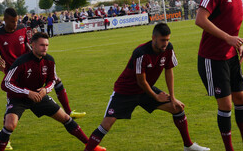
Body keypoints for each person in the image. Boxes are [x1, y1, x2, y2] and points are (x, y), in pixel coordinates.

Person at [84, 23, 209, 151]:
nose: (165, 43)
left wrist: (172, 97)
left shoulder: (168, 49)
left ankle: (188, 146)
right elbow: (141, 81)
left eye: (167, 40)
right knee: (106, 124)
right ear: (153, 38)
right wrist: (155, 96)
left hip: (145, 91)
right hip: (125, 91)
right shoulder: (140, 52)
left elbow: (169, 71)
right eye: (162, 40)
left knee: (177, 108)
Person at [0, 8, 85, 146]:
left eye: (17, 21)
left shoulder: (22, 29)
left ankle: (69, 112)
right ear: (5, 21)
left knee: (55, 79)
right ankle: (7, 139)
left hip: (31, 68)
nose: (15, 24)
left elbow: (28, 45)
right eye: (12, 22)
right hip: (15, 75)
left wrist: (36, 59)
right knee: (10, 118)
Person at [0, 32, 106, 151]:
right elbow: (6, 83)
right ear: (33, 45)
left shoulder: (49, 60)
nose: (45, 48)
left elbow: (52, 80)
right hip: (18, 98)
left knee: (66, 118)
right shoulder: (21, 62)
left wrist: (45, 90)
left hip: (39, 95)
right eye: (42, 45)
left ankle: (90, 146)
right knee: (10, 125)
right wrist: (27, 92)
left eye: (47, 45)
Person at [195, 0, 243, 151]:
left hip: (231, 55)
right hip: (213, 58)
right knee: (226, 105)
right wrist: (228, 39)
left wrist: (238, 43)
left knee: (241, 100)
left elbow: (230, 24)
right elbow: (200, 19)